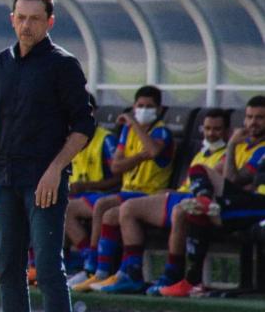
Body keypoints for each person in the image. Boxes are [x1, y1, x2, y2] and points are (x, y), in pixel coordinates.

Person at [0, 0, 94, 312]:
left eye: (35, 19)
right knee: (7, 266)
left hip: (44, 182)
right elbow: (0, 119)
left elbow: (83, 127)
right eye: (21, 17)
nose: (27, 25)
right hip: (6, 177)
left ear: (49, 22)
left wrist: (55, 169)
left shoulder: (63, 65)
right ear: (11, 19)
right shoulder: (4, 61)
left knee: (48, 269)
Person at [71, 86, 175, 293]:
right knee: (108, 214)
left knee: (104, 205)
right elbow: (117, 166)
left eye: (149, 106)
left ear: (159, 109)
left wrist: (134, 124)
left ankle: (95, 267)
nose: (144, 110)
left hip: (150, 194)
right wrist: (139, 156)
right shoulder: (127, 132)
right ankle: (104, 271)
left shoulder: (162, 132)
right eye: (140, 106)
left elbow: (154, 150)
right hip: (127, 192)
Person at [160, 96, 265, 297]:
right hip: (239, 197)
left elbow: (234, 179)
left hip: (257, 202)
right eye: (250, 117)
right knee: (199, 170)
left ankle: (190, 280)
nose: (253, 122)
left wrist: (232, 145)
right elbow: (220, 174)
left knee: (195, 213)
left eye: (259, 118)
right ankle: (204, 199)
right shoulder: (245, 143)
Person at [116, 109, 228, 296]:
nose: (211, 133)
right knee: (128, 208)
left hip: (205, 203)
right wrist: (171, 191)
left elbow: (213, 184)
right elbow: (187, 185)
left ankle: (172, 274)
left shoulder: (227, 153)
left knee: (179, 210)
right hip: (181, 195)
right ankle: (131, 274)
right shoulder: (202, 152)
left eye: (217, 129)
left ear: (227, 131)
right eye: (207, 128)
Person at [63, 94, 120, 281]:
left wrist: (86, 185)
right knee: (44, 202)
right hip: (79, 196)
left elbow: (118, 179)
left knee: (64, 208)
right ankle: (40, 265)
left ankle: (90, 263)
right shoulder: (68, 139)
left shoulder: (106, 140)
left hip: (103, 194)